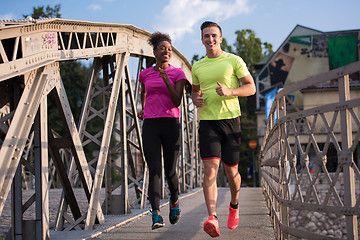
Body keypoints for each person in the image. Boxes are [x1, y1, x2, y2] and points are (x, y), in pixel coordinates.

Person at [191, 21, 256, 237]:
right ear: (202, 40)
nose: (210, 39)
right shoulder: (198, 66)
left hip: (231, 121)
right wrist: (196, 100)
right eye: (206, 36)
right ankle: (212, 217)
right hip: (208, 122)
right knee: (210, 169)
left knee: (232, 172)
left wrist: (230, 91)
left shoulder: (233, 60)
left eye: (214, 35)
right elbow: (194, 91)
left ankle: (234, 205)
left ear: (221, 38)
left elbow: (251, 87)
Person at [138, 32, 187, 230]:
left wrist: (166, 79)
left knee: (170, 171)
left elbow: (177, 101)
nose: (166, 51)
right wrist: (143, 108)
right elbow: (144, 91)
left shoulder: (178, 74)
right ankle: (156, 214)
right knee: (154, 170)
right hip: (151, 124)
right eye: (162, 48)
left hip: (171, 124)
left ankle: (174, 202)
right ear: (154, 52)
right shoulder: (145, 74)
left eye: (169, 49)